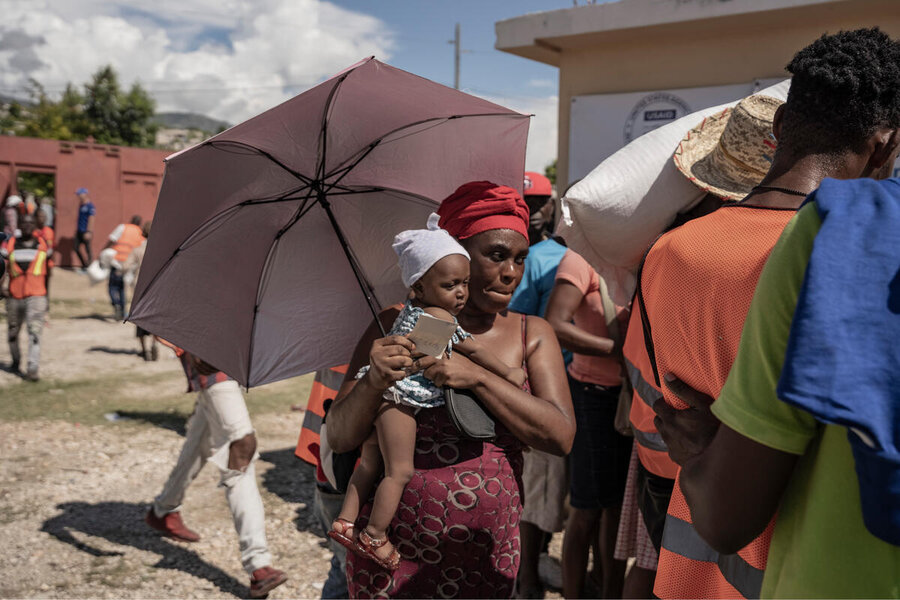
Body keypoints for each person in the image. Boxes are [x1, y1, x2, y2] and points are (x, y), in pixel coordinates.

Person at [643, 28, 900, 599]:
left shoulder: (667, 251)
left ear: (779, 126)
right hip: (784, 567)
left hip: (686, 558)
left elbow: (657, 418)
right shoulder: (847, 260)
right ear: (885, 144)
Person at [326, 181, 575, 598]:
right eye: (495, 255)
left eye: (519, 258)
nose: (511, 272)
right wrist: (374, 381)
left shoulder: (532, 333)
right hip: (391, 548)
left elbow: (560, 436)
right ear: (453, 255)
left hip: (484, 550)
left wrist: (477, 376)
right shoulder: (394, 322)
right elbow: (338, 434)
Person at [331, 213, 527, 570]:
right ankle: (374, 535)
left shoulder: (409, 312)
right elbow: (473, 351)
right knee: (399, 472)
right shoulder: (440, 318)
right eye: (451, 285)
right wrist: (508, 372)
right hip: (399, 402)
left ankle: (345, 520)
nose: (461, 293)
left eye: (465, 283)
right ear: (418, 287)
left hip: (384, 398)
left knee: (372, 462)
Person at [145, 342, 288, 598]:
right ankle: (258, 566)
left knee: (200, 441)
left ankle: (163, 508)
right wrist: (186, 346)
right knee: (241, 444)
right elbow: (161, 306)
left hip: (228, 356)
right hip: (209, 358)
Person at [545, 248, 631, 599]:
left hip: (628, 398)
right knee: (586, 510)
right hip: (592, 397)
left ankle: (610, 592)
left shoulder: (637, 253)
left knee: (615, 510)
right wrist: (620, 350)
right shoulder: (580, 260)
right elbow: (555, 324)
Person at [508, 180, 570, 598]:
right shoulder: (524, 260)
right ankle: (526, 574)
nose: (531, 211)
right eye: (522, 203)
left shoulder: (560, 256)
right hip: (528, 388)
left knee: (551, 495)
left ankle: (532, 564)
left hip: (567, 386)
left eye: (537, 203)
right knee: (534, 492)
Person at [295, 365, 351, 599]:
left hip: (331, 457)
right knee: (352, 567)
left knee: (344, 565)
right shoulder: (382, 333)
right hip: (345, 462)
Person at [1, 214, 51, 381]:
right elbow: (4, 266)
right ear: (20, 225)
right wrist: (2, 287)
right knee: (13, 332)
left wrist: (47, 298)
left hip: (36, 296)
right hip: (14, 295)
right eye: (24, 222)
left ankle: (32, 369)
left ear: (35, 225)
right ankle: (16, 362)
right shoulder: (10, 244)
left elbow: (48, 273)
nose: (28, 225)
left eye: (31, 222)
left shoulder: (43, 245)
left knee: (34, 332)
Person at [122, 221, 157, 360]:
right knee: (155, 319)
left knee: (140, 319)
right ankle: (155, 343)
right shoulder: (160, 250)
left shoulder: (137, 250)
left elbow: (125, 265)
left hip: (141, 287)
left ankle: (145, 350)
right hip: (156, 287)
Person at [104, 215, 144, 321]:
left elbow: (112, 239)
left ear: (131, 220)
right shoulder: (140, 232)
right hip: (129, 264)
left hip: (117, 261)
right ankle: (122, 311)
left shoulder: (123, 227)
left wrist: (103, 251)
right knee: (122, 287)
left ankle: (116, 304)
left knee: (112, 286)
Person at [74, 188, 95, 270]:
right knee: (75, 248)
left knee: (87, 249)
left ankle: (89, 266)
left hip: (86, 231)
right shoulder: (81, 205)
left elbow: (91, 219)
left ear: (85, 194)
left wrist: (89, 231)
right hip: (79, 231)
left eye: (80, 194)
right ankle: (84, 265)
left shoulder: (90, 206)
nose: (78, 196)